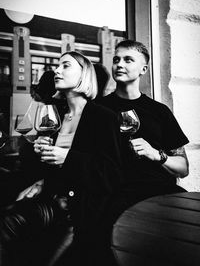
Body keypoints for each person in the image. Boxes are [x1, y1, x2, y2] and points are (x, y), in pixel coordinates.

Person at [0, 51, 122, 266]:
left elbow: (111, 174)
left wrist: (68, 157)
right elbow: (47, 167)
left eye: (66, 65)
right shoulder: (56, 114)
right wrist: (38, 151)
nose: (57, 70)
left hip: (79, 212)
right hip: (52, 202)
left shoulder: (103, 117)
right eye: (58, 65)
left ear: (84, 75)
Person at [98, 39, 189, 223]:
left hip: (161, 195)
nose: (119, 64)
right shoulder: (99, 109)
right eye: (116, 60)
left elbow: (183, 168)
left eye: (128, 60)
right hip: (117, 198)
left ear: (144, 69)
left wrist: (155, 154)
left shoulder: (159, 111)